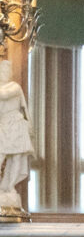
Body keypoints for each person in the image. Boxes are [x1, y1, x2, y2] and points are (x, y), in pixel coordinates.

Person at [0, 59, 34, 209]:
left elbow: (4, 95)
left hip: (17, 125)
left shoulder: (14, 87)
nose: (4, 74)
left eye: (6, 71)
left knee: (17, 158)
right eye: (1, 71)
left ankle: (9, 187)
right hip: (4, 126)